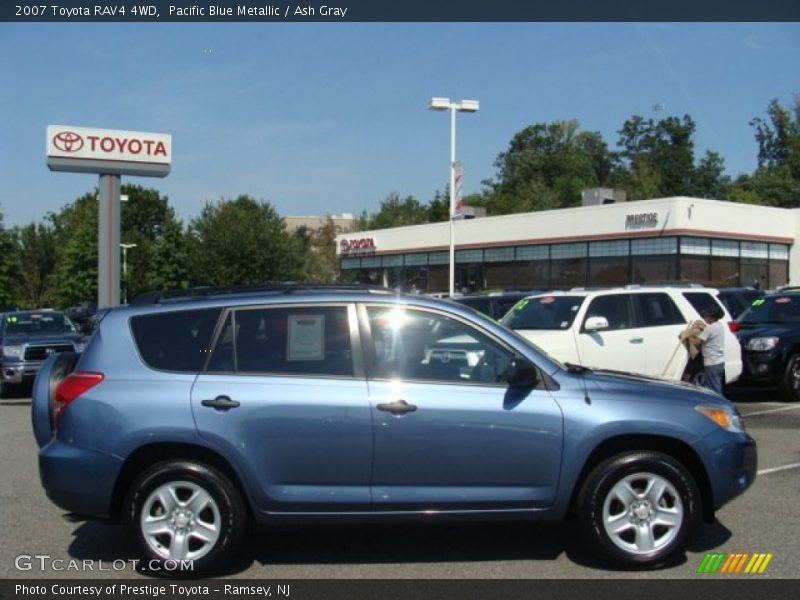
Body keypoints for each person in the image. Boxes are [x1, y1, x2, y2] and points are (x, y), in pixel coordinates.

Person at [690, 307, 726, 395]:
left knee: (714, 389)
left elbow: (698, 342)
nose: (704, 318)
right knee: (713, 385)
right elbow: (709, 332)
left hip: (712, 362)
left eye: (706, 316)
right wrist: (702, 327)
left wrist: (688, 334)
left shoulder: (709, 329)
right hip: (719, 362)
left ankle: (719, 403)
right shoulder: (719, 325)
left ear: (712, 317)